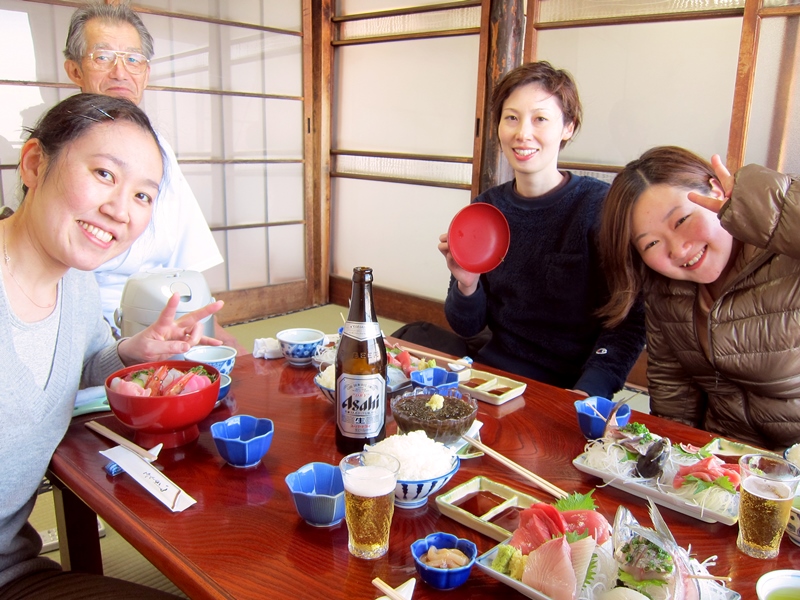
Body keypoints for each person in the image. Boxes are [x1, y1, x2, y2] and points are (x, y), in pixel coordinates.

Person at [0, 93, 222, 599]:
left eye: (144, 195)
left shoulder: (75, 282)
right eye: (104, 174)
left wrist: (129, 353)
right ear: (35, 164)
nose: (120, 210)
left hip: (14, 574)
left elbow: (83, 367)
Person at [437, 61, 646, 398]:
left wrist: (589, 392)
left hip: (569, 388)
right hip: (493, 379)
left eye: (540, 119)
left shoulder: (599, 206)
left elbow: (629, 321)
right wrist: (466, 284)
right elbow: (467, 326)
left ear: (568, 127)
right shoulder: (486, 209)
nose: (523, 134)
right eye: (512, 118)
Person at [62, 1, 244, 352]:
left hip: (163, 320)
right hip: (82, 324)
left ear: (145, 73)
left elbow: (184, 256)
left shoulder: (158, 148)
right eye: (103, 57)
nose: (120, 72)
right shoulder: (59, 146)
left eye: (133, 60)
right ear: (74, 70)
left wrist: (214, 327)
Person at [597, 146, 800, 449]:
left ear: (716, 192)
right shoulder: (664, 290)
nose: (677, 250)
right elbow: (674, 401)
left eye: (681, 221)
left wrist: (766, 208)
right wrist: (674, 465)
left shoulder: (787, 254)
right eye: (651, 242)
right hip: (726, 465)